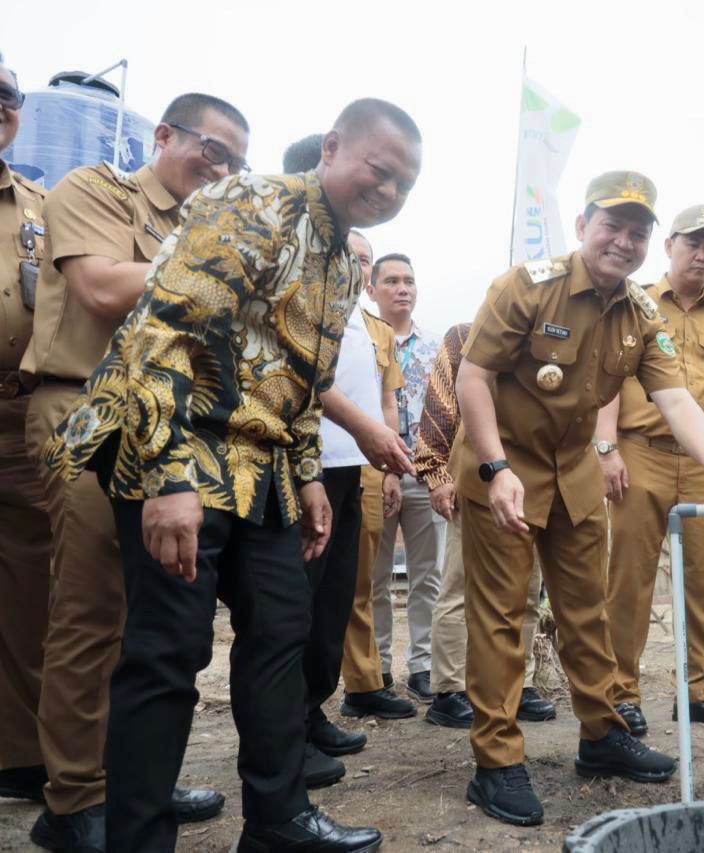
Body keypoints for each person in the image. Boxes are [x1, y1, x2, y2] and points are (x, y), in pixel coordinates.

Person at [40, 97, 423, 852]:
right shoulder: (249, 201)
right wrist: (170, 476)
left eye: (403, 185)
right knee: (168, 649)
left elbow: (298, 378)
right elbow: (164, 331)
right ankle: (139, 836)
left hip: (263, 459)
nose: (387, 191)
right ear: (335, 147)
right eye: (379, 171)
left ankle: (278, 820)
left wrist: (310, 475)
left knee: (282, 633)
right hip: (174, 438)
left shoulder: (343, 261)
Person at [454, 171, 704, 826]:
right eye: (612, 226)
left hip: (572, 470)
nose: (623, 242)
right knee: (504, 613)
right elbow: (473, 374)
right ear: (583, 226)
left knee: (587, 609)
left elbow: (675, 396)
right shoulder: (527, 285)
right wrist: (494, 467)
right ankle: (496, 760)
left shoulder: (642, 313)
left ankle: (602, 734)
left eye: (638, 232)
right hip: (505, 464)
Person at [21, 91, 247, 850]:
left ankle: (135, 775)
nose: (221, 170)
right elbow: (102, 288)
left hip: (165, 432)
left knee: (152, 620)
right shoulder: (94, 189)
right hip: (86, 413)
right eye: (212, 150)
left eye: (235, 164)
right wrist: (213, 275)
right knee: (89, 611)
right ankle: (76, 799)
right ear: (164, 135)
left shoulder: (204, 228)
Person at [596, 204, 704, 734]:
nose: (703, 254)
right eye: (694, 243)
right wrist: (606, 449)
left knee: (702, 581)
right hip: (638, 453)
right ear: (670, 245)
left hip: (703, 462)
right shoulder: (631, 302)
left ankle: (700, 689)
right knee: (630, 580)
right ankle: (622, 692)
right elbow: (609, 382)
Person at [302, 229, 416, 789]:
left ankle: (311, 711)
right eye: (352, 256)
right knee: (298, 598)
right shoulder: (303, 310)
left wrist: (389, 466)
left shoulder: (372, 329)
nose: (358, 267)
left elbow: (385, 402)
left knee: (340, 594)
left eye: (365, 260)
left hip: (359, 471)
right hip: (308, 470)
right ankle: (287, 727)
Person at [414, 322, 555, 729]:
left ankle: (520, 683)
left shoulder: (550, 341)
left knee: (526, 589)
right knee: (460, 585)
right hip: (473, 477)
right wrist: (437, 475)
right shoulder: (464, 334)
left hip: (533, 481)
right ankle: (449, 689)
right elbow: (440, 402)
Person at [360, 253, 446, 707]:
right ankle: (376, 667)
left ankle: (423, 666)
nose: (402, 288)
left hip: (425, 474)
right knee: (373, 578)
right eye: (391, 280)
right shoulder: (360, 342)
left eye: (409, 280)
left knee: (427, 576)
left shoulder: (436, 347)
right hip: (375, 471)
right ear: (371, 289)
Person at [0, 58, 52, 807]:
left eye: (5, 96)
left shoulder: (44, 210)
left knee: (32, 595)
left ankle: (21, 755)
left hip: (19, 421)